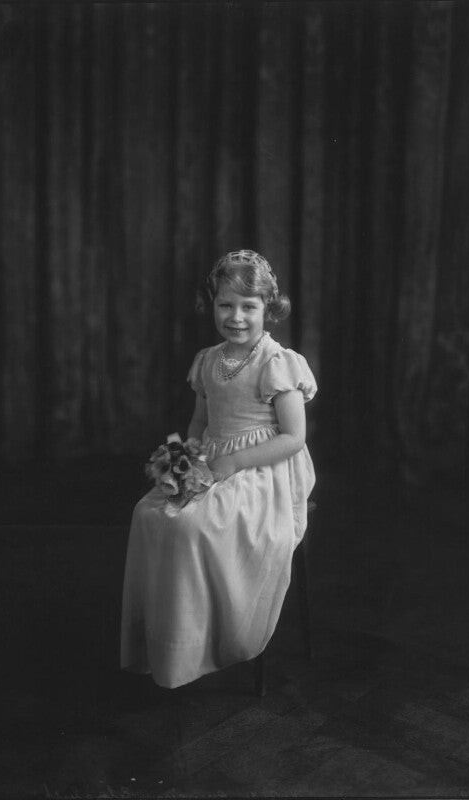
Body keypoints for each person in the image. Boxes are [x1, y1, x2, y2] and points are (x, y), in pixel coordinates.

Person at [120, 249, 317, 689]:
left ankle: (218, 638)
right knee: (149, 513)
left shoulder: (277, 362)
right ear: (212, 306)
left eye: (249, 307)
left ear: (269, 309)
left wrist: (231, 464)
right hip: (213, 458)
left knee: (192, 526)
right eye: (225, 305)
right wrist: (186, 458)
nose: (237, 317)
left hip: (265, 467)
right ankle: (174, 641)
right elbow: (200, 422)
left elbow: (293, 438)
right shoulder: (209, 360)